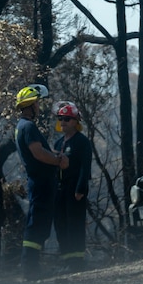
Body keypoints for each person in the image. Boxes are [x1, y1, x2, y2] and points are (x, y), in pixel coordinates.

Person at [14, 84, 68, 280]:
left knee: (40, 224)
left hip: (40, 183)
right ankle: (30, 270)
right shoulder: (28, 126)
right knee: (36, 224)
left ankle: (33, 267)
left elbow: (42, 150)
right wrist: (58, 161)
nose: (39, 106)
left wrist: (55, 155)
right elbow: (38, 153)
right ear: (30, 105)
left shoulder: (23, 127)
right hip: (41, 183)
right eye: (37, 103)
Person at [52, 102, 92, 272]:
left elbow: (85, 167)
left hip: (74, 189)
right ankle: (67, 259)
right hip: (60, 190)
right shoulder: (58, 142)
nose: (63, 122)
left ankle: (77, 261)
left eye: (67, 119)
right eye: (61, 118)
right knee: (61, 223)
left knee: (74, 223)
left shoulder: (82, 142)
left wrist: (80, 188)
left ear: (75, 121)